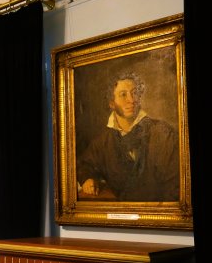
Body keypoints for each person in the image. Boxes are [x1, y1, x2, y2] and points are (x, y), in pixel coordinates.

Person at [76, 73, 179, 202]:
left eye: (134, 93)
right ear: (112, 103)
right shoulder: (103, 141)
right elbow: (84, 164)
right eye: (123, 94)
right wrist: (87, 178)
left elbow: (176, 185)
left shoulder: (163, 133)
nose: (131, 100)